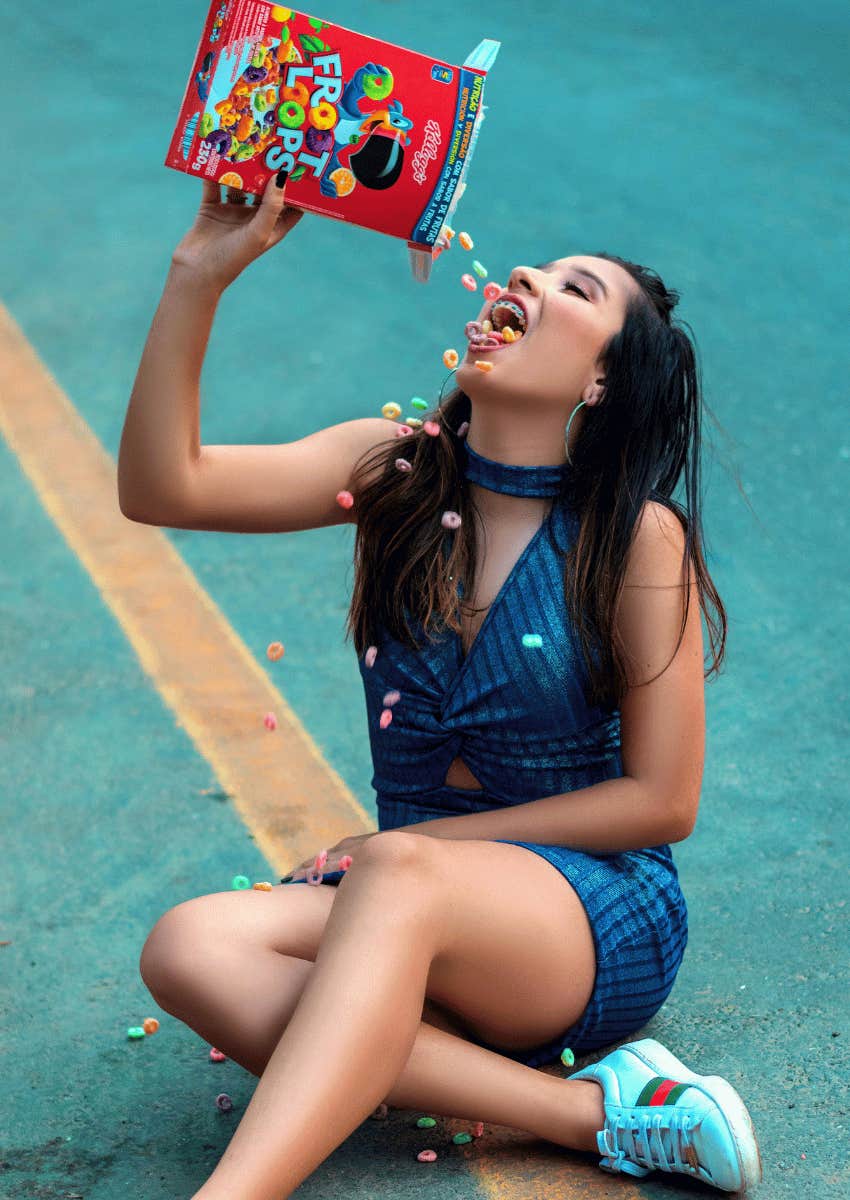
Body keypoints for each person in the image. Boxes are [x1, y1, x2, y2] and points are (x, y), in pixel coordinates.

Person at [121, 172, 763, 1199]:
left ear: (599, 384)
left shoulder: (637, 538)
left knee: (394, 882)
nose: (525, 278)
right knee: (191, 944)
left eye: (575, 291)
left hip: (585, 920)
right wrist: (199, 273)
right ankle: (597, 1113)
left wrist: (403, 849)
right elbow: (164, 486)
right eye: (532, 272)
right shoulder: (392, 475)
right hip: (404, 902)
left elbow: (662, 800)